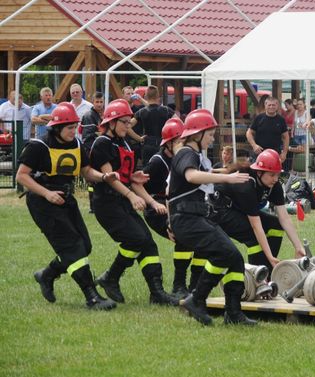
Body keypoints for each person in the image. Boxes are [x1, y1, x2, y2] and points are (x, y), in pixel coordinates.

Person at [16, 102, 117, 310]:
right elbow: (22, 176)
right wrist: (47, 193)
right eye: (70, 127)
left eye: (75, 127)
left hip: (66, 199)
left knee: (84, 246)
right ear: (57, 127)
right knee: (72, 246)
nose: (74, 131)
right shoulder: (38, 146)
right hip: (42, 202)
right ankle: (92, 296)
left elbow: (86, 171)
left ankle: (47, 275)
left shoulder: (78, 145)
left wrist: (104, 176)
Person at [168, 109, 254, 326]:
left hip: (194, 217)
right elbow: (191, 176)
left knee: (233, 257)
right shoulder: (186, 153)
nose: (212, 138)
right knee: (226, 253)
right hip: (187, 219)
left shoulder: (196, 155)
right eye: (210, 134)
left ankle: (232, 313)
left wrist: (230, 172)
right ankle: (197, 300)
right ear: (197, 134)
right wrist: (230, 179)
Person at [90, 99, 176, 306]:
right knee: (137, 239)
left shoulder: (126, 144)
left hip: (122, 202)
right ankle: (110, 277)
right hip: (107, 204)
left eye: (129, 122)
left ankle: (157, 293)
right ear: (111, 122)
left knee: (148, 244)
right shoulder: (102, 143)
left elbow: (132, 181)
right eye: (124, 122)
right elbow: (110, 178)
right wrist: (131, 195)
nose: (128, 126)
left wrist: (151, 202)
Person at [138, 117, 205, 299]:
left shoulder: (186, 157)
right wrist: (153, 204)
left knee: (202, 239)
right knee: (183, 238)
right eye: (177, 141)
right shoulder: (158, 162)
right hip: (157, 209)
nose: (181, 144)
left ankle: (195, 285)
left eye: (183, 140)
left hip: (176, 207)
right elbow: (138, 185)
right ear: (167, 144)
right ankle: (179, 285)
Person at [209, 149, 305, 272]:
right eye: (271, 175)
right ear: (259, 172)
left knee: (276, 225)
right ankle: (258, 277)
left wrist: (298, 247)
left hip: (238, 209)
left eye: (277, 174)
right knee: (254, 237)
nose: (275, 179)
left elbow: (284, 218)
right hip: (220, 211)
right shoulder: (247, 186)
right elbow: (256, 226)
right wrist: (269, 257)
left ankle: (268, 271)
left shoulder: (274, 186)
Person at [128, 85, 176, 166]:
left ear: (146, 97)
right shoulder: (167, 110)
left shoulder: (141, 112)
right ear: (158, 97)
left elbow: (127, 126)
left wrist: (138, 138)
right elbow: (179, 123)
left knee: (147, 172)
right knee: (164, 170)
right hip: (163, 144)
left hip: (147, 144)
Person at [80, 91, 105, 213]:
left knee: (96, 180)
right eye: (97, 102)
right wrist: (101, 134)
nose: (99, 104)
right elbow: (87, 136)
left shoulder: (100, 115)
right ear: (93, 102)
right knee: (92, 180)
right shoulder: (90, 115)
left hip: (96, 150)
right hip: (90, 150)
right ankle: (92, 206)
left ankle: (97, 205)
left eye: (101, 102)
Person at [246, 96, 289, 163]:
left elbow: (286, 137)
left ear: (277, 106)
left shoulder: (281, 120)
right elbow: (249, 133)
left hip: (275, 153)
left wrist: (284, 153)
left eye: (273, 105)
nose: (271, 107)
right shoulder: (259, 118)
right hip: (259, 153)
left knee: (274, 173)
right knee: (258, 173)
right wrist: (254, 145)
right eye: (269, 105)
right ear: (265, 105)